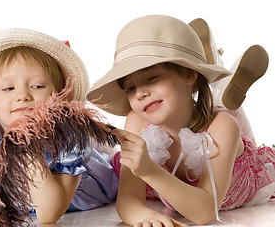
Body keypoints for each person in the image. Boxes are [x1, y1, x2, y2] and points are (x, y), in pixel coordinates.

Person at [86, 15, 274, 226]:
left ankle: (219, 81)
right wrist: (143, 216)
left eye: (151, 78)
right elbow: (128, 198)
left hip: (237, 179)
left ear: (189, 73)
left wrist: (149, 169)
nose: (140, 94)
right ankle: (211, 68)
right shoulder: (137, 122)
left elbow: (204, 212)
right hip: (175, 188)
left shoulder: (222, 127)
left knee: (227, 116)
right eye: (131, 88)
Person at [0, 29, 118, 226]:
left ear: (59, 98)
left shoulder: (68, 138)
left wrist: (30, 152)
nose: (23, 95)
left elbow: (49, 215)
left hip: (58, 195)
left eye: (38, 86)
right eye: (9, 88)